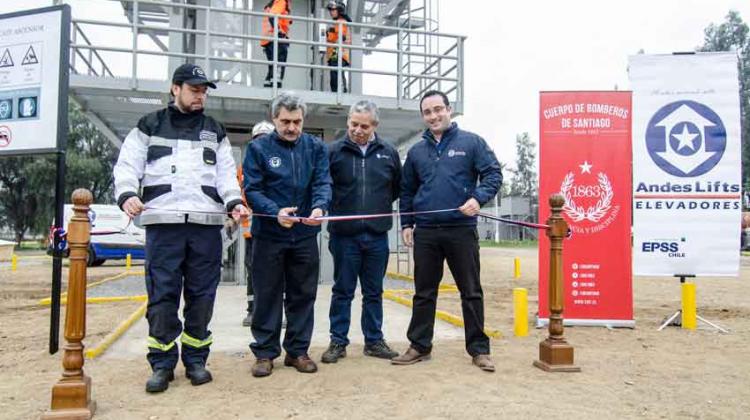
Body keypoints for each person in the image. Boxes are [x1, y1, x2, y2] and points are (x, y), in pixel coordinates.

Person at [113, 63, 249, 393]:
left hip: (205, 227)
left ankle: (196, 360)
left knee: (202, 296)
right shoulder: (149, 125)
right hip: (164, 226)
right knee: (163, 296)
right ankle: (162, 364)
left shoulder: (214, 130)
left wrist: (234, 202)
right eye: (194, 89)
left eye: (203, 90)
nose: (200, 95)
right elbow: (127, 165)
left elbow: (225, 176)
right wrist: (128, 195)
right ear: (176, 88)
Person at [392, 90, 502, 372]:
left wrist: (477, 198)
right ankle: (419, 346)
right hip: (427, 232)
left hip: (461, 230)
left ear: (449, 110)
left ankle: (479, 349)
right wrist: (407, 223)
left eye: (438, 109)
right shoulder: (416, 151)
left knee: (471, 291)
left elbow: (493, 174)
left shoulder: (472, 143)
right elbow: (407, 191)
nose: (433, 116)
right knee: (424, 292)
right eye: (427, 112)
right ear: (423, 116)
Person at [243, 92, 332, 377]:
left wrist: (319, 208)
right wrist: (275, 211)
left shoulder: (315, 148)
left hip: (304, 235)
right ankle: (265, 353)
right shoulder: (258, 150)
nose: (291, 127)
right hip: (269, 235)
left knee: (302, 294)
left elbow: (322, 182)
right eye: (285, 121)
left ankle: (297, 351)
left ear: (303, 120)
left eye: (297, 121)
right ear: (274, 119)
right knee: (266, 294)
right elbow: (253, 190)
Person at [321, 100, 401, 364]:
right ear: (348, 122)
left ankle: (374, 341)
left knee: (374, 291)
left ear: (374, 125)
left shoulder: (388, 152)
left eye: (364, 126)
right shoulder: (334, 151)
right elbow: (324, 187)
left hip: (377, 236)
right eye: (353, 124)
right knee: (343, 290)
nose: (357, 130)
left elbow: (397, 188)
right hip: (344, 236)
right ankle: (337, 342)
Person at [240, 121, 276, 327]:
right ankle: (253, 311)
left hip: (276, 230)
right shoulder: (244, 169)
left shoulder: (280, 165)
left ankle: (278, 311)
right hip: (252, 233)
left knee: (278, 272)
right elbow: (238, 196)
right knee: (253, 271)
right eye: (258, 139)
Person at [261, 0, 292, 88]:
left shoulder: (271, 4)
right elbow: (272, 16)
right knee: (279, 62)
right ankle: (276, 83)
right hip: (275, 38)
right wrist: (279, 32)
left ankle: (268, 82)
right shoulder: (281, 2)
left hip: (268, 39)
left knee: (272, 65)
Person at [325, 0, 351, 93]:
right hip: (336, 52)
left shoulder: (341, 22)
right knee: (336, 72)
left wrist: (330, 32)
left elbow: (340, 37)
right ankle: (339, 91)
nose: (331, 12)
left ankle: (338, 92)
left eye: (333, 10)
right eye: (330, 10)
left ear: (339, 10)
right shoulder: (338, 22)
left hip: (338, 51)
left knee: (336, 73)